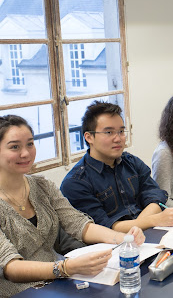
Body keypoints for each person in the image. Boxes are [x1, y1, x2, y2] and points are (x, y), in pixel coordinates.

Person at [0, 115, 145, 297]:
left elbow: (78, 224)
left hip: (58, 282)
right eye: (14, 147)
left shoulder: (42, 186)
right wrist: (64, 268)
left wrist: (123, 238)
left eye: (30, 144)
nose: (26, 153)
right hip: (19, 291)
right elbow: (10, 267)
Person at [61, 101, 173, 232]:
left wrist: (139, 225)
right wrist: (152, 220)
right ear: (89, 137)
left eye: (121, 131)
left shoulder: (131, 162)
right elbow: (102, 228)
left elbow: (155, 197)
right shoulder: (75, 182)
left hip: (148, 232)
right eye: (109, 132)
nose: (118, 138)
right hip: (114, 245)